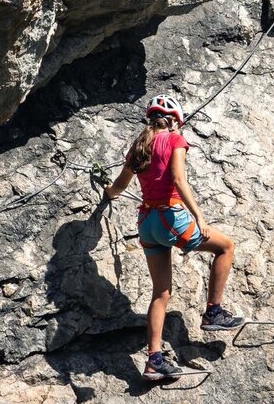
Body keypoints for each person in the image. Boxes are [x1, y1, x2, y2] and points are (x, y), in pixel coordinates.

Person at [104, 94, 245, 380]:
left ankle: (154, 359)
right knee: (226, 247)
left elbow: (119, 185)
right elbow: (179, 180)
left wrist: (106, 192)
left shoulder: (138, 146)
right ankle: (213, 313)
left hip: (147, 223)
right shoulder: (174, 140)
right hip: (171, 218)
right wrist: (199, 217)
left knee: (161, 293)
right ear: (174, 122)